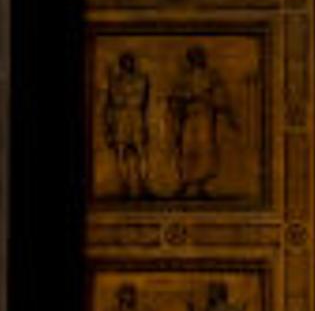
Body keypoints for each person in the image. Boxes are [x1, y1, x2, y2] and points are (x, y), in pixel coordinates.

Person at [165, 43, 235, 196]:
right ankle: (185, 182)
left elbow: (221, 95)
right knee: (187, 148)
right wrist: (184, 98)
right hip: (189, 115)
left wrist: (217, 105)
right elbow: (173, 96)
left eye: (200, 56)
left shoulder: (211, 75)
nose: (198, 59)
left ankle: (201, 184)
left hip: (205, 115)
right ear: (190, 59)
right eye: (194, 57)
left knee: (205, 148)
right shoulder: (183, 77)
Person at [99, 49, 153, 198]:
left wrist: (123, 96)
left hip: (135, 117)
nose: (128, 64)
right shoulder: (115, 80)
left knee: (141, 151)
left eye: (130, 62)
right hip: (121, 119)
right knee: (121, 152)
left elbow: (139, 99)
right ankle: (123, 185)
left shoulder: (141, 78)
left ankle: (143, 185)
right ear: (121, 64)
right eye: (125, 62)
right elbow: (115, 101)